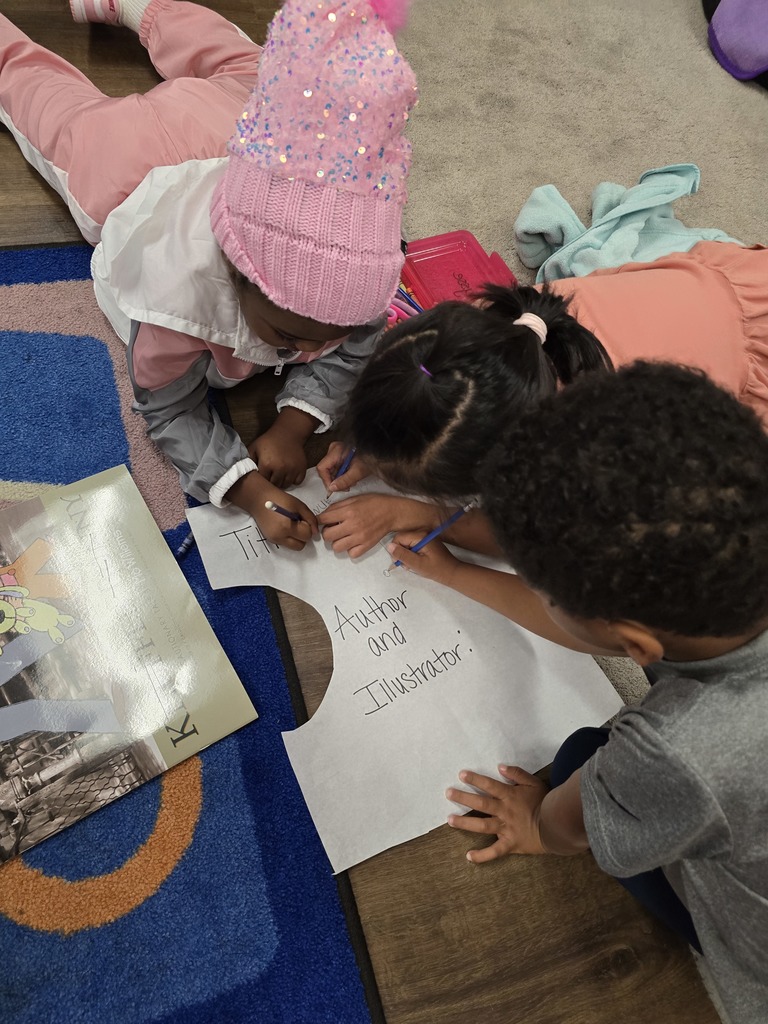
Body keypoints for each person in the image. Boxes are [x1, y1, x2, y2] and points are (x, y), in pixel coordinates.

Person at [397, 362, 768, 1023]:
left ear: (634, 645)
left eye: (544, 588)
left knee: (576, 762)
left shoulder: (674, 752)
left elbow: (571, 828)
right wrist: (453, 564)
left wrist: (538, 826)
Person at [0, 0, 418, 549]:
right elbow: (168, 407)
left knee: (250, 64)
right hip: (121, 159)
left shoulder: (348, 291)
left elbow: (356, 342)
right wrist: (244, 489)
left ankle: (140, 7)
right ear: (231, 274)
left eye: (328, 337)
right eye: (289, 339)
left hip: (224, 121)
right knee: (30, 87)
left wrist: (293, 424)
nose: (312, 349)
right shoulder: (177, 303)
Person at [316, 241, 768, 557]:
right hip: (723, 285)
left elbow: (538, 540)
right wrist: (376, 449)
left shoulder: (597, 453)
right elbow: (434, 391)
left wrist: (409, 510)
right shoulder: (507, 327)